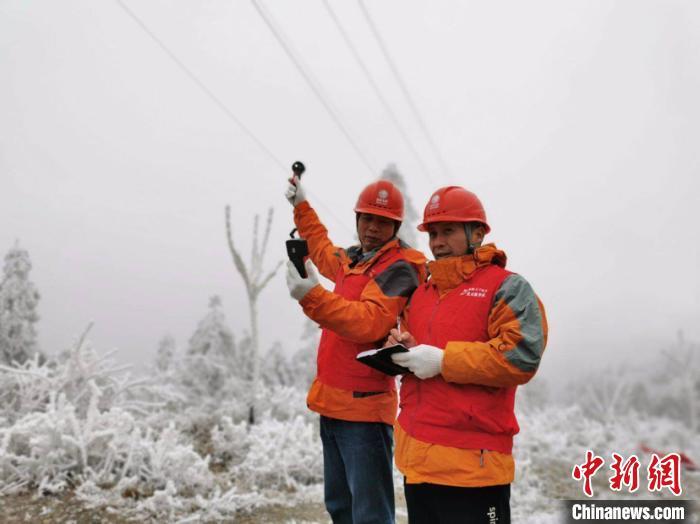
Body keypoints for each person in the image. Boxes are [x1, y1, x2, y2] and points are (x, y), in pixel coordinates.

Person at [385, 186, 548, 524]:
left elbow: (521, 356)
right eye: (433, 233)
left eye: (448, 231)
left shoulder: (507, 287)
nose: (437, 242)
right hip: (418, 460)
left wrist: (443, 361)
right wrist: (404, 347)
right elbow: (422, 349)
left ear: (477, 233)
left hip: (474, 468)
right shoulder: (422, 294)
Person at [284, 176, 427, 524]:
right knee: (340, 507)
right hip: (331, 404)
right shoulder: (354, 260)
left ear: (396, 227)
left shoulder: (403, 266)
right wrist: (301, 206)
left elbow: (369, 321)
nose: (373, 228)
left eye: (383, 222)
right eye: (367, 218)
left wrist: (312, 296)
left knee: (370, 515)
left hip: (365, 412)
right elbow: (320, 247)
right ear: (358, 219)